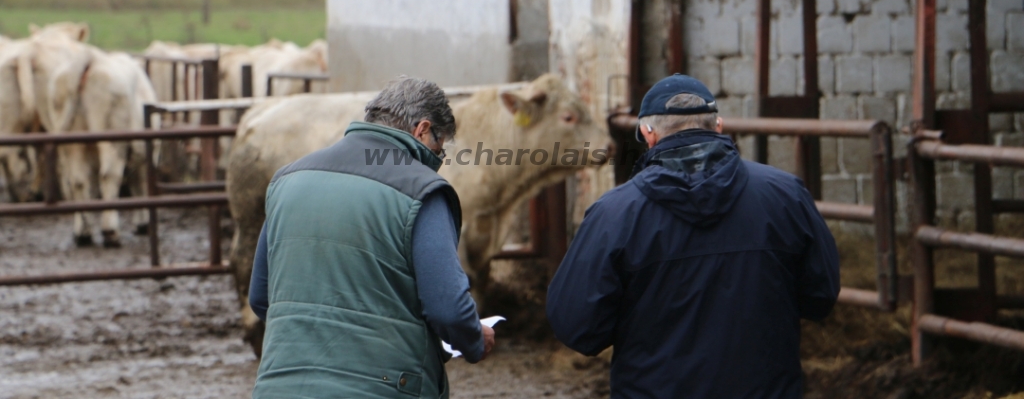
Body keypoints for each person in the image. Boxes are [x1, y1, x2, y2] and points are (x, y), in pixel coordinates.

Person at [547, 74, 840, 399]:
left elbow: (577, 325)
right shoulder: (786, 196)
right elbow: (820, 296)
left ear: (647, 133)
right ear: (718, 127)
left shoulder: (613, 214)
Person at [249, 76, 495, 398]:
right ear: (422, 130)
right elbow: (447, 307)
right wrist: (475, 339)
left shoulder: (287, 179)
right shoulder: (422, 190)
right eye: (439, 145)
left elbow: (260, 297)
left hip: (279, 384)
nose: (439, 158)